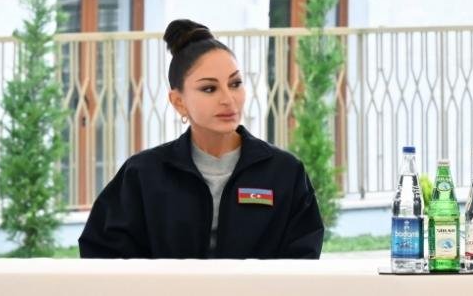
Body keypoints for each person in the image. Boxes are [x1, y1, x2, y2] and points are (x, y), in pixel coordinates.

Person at [79, 19, 324, 259]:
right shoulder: (142, 175)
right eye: (209, 88)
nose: (228, 99)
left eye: (235, 84)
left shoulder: (285, 173)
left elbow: (303, 261)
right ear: (178, 102)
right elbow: (102, 254)